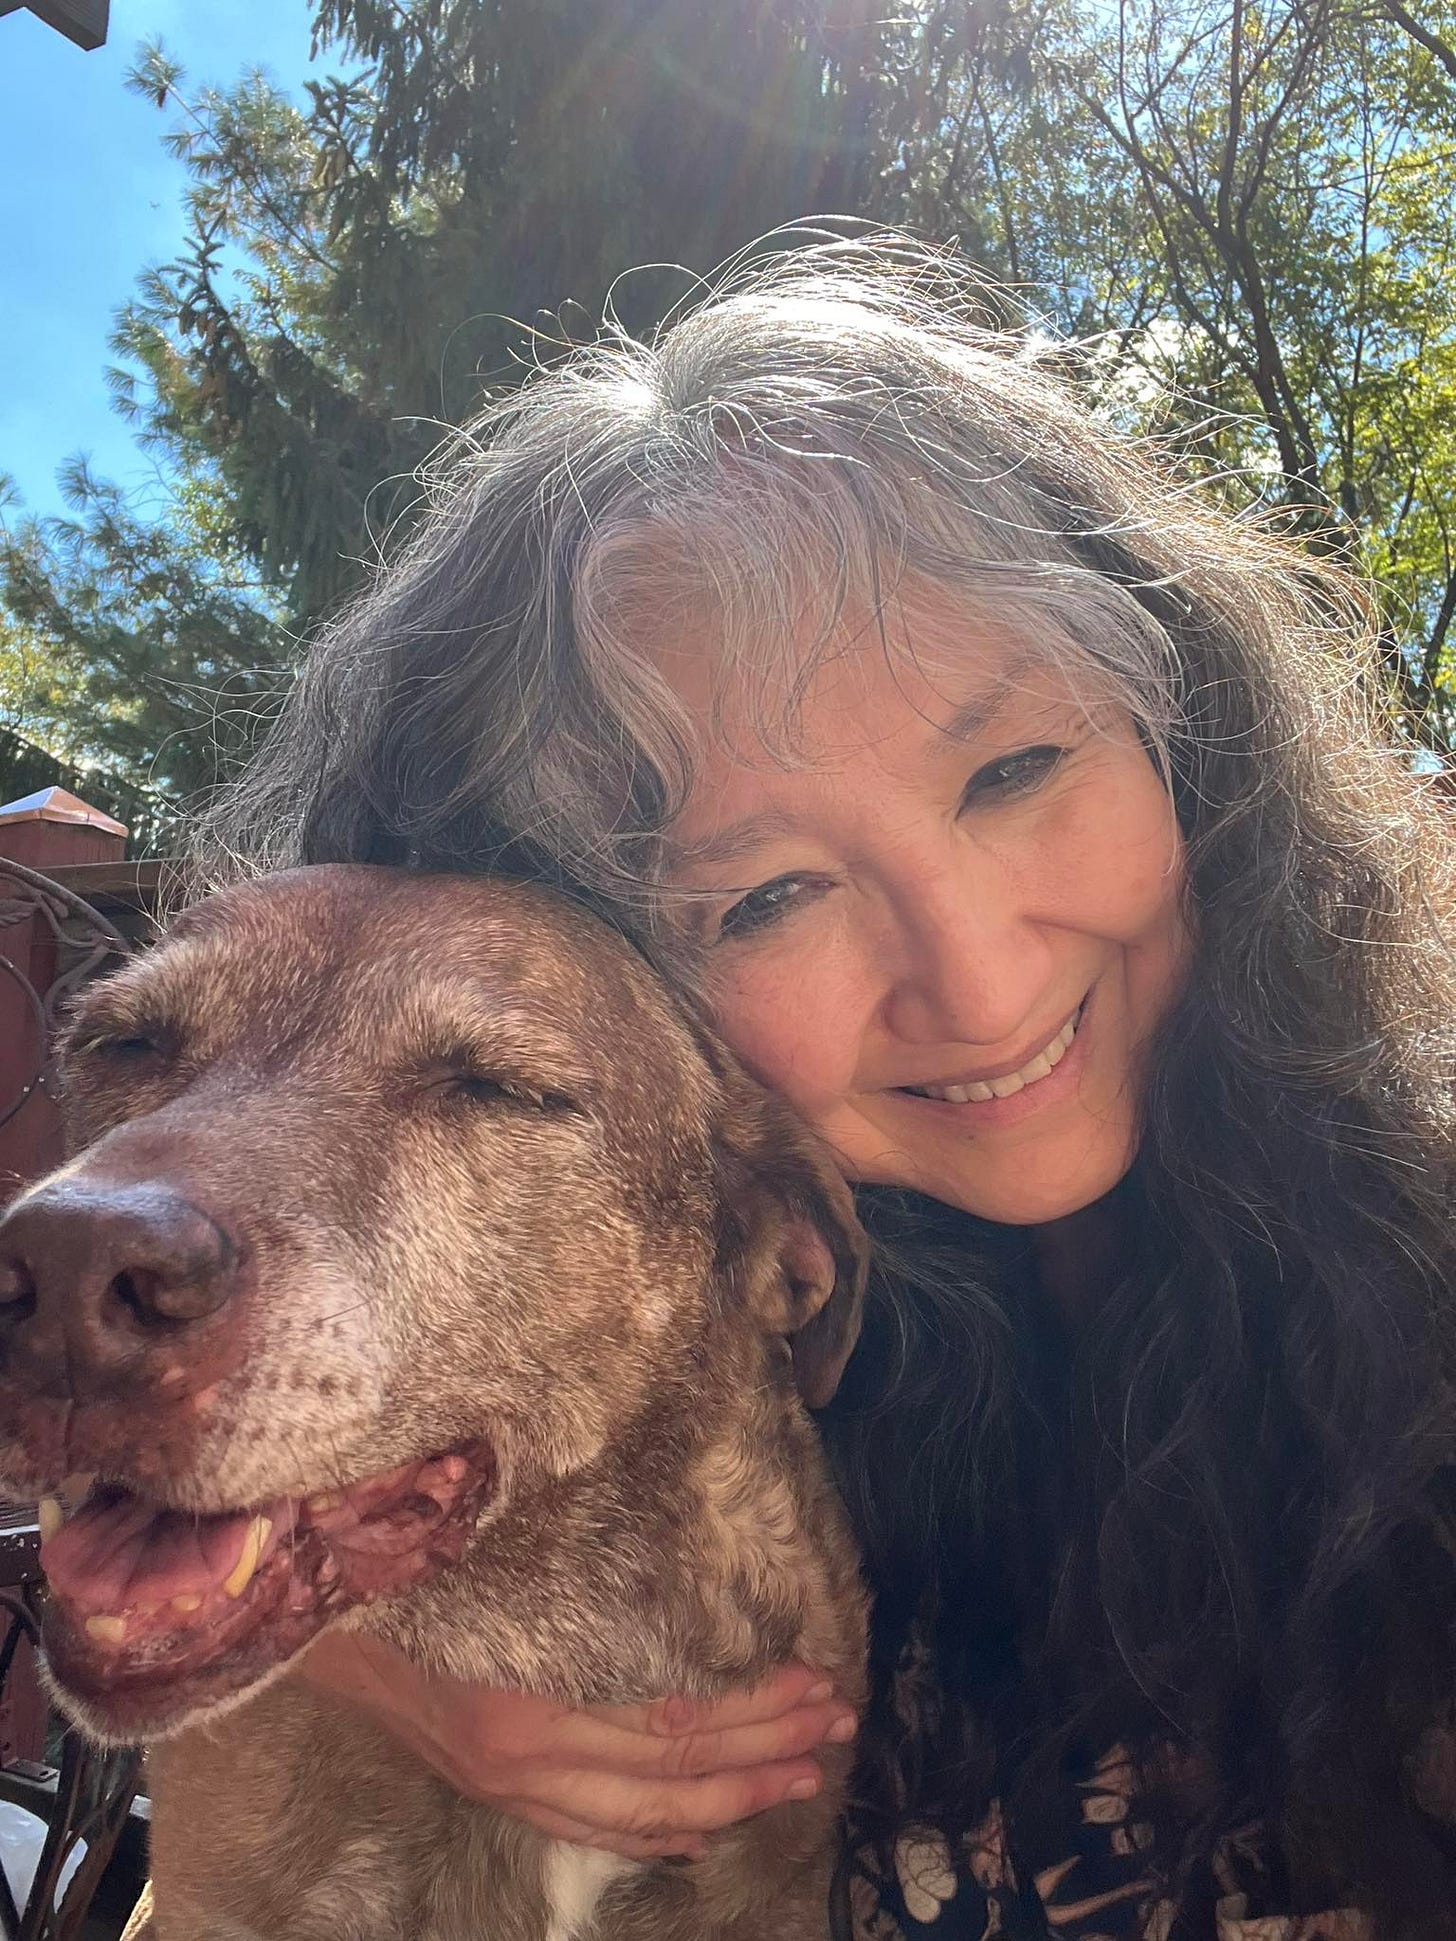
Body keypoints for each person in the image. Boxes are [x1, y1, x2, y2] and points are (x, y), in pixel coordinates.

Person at [202, 236, 1456, 1939]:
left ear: (1185, 724)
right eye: (768, 896)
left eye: (1017, 767)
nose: (981, 975)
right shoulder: (720, 1358)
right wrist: (380, 1654)